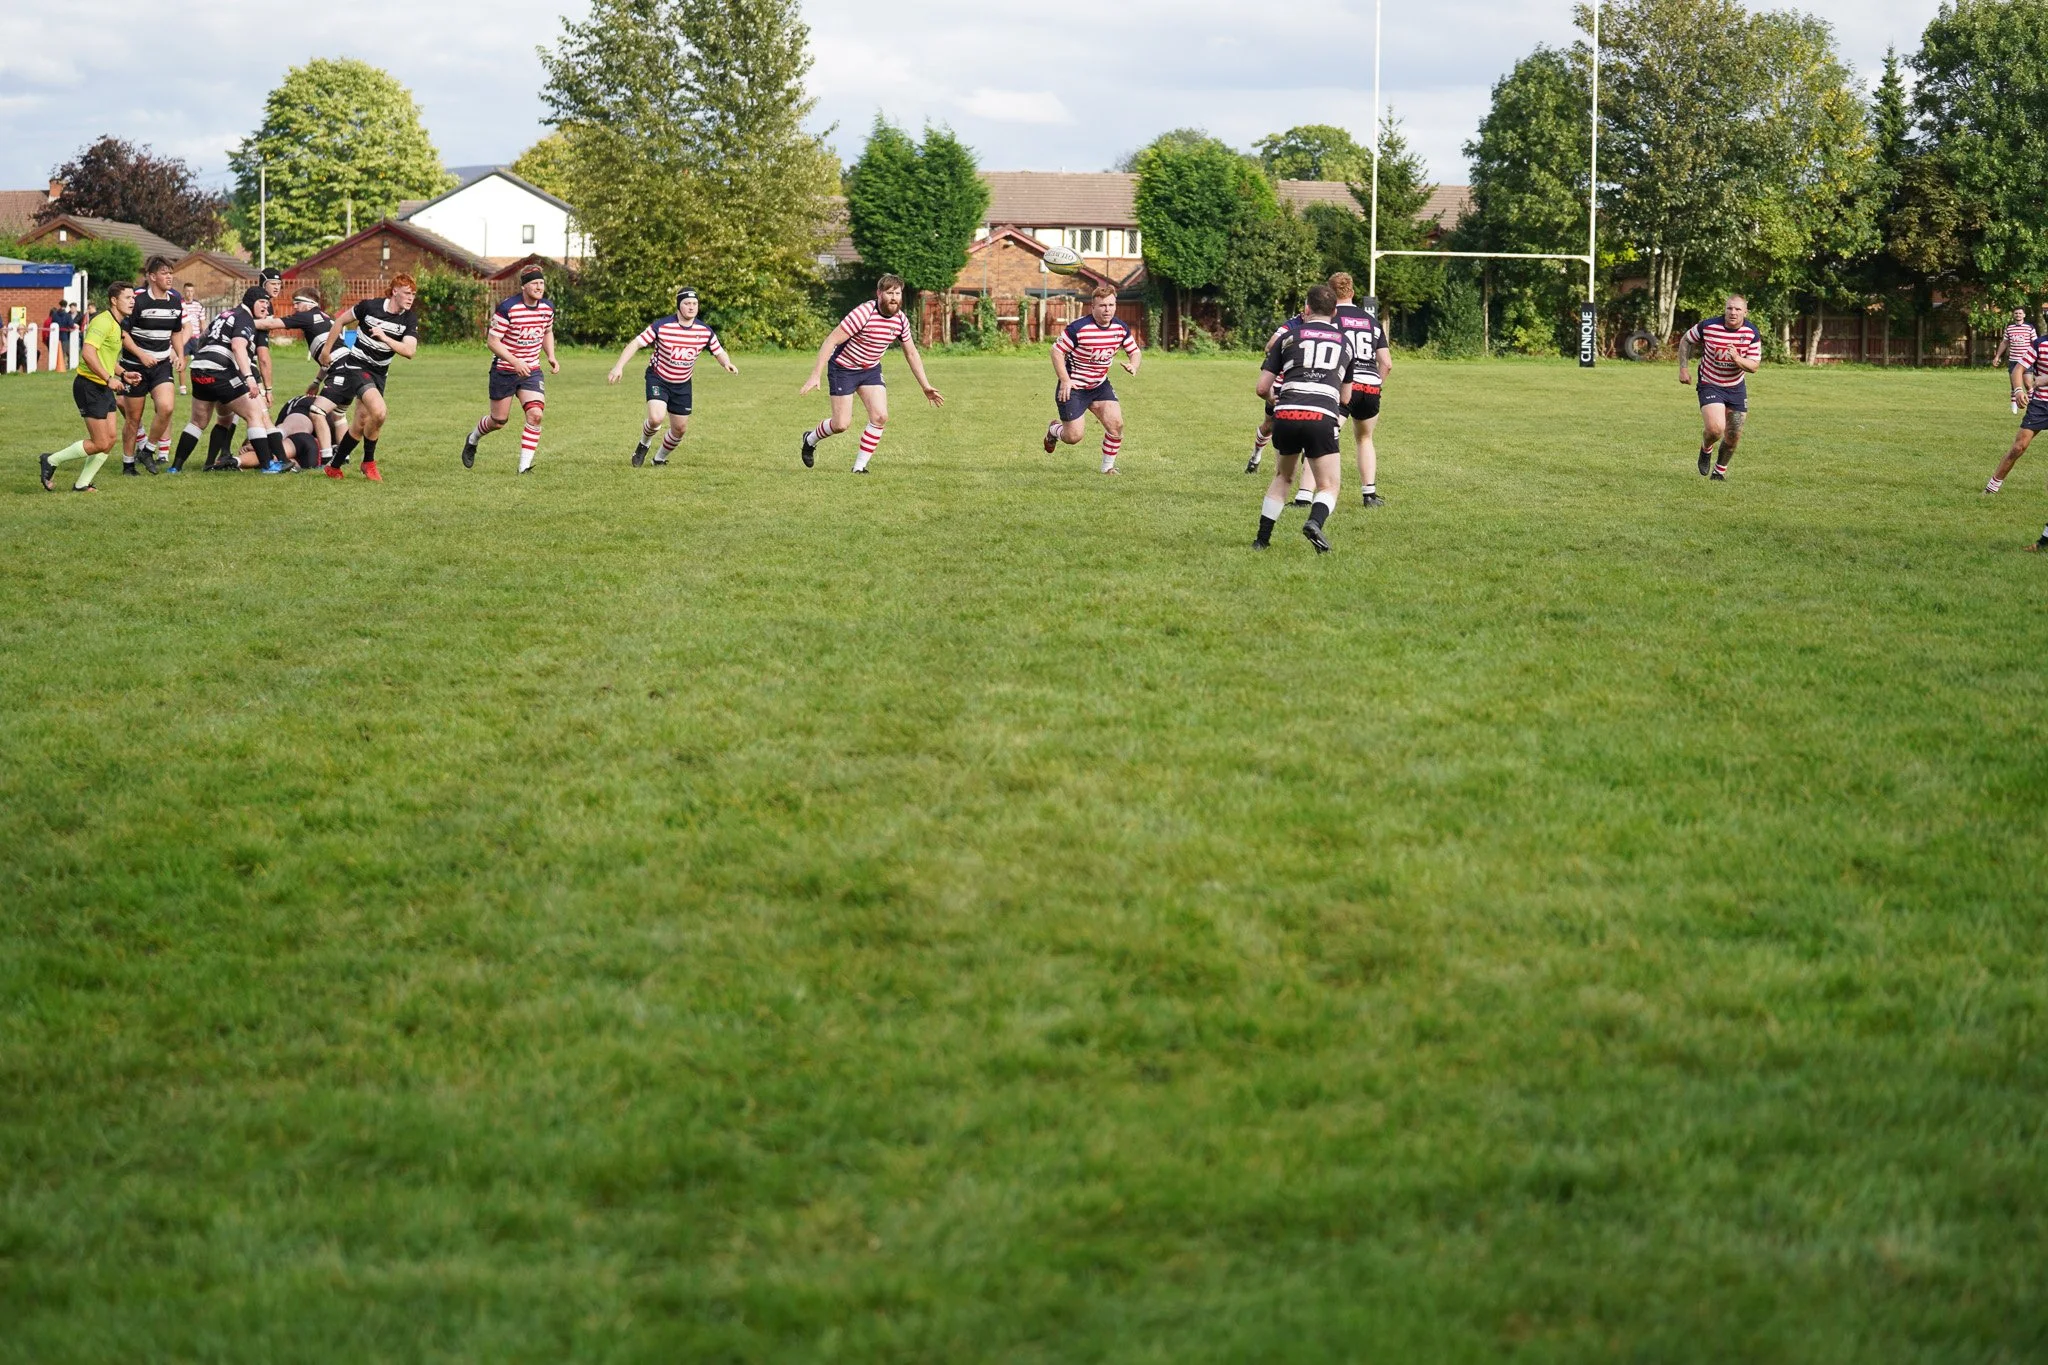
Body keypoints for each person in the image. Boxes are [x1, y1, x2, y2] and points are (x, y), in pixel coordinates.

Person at [798, 274, 943, 473]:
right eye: (889, 293)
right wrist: (816, 374)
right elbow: (831, 341)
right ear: (879, 293)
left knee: (880, 416)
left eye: (897, 293)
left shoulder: (901, 320)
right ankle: (810, 439)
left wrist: (925, 386)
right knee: (841, 424)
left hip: (870, 369)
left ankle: (859, 468)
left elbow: (911, 353)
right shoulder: (863, 314)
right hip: (843, 368)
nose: (894, 298)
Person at [1252, 283, 1351, 553]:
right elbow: (1345, 398)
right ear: (1334, 312)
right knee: (1329, 485)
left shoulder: (1288, 337)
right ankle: (1314, 522)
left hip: (1287, 413)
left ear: (1306, 309)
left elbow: (1262, 388)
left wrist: (1273, 400)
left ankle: (1261, 540)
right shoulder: (1345, 342)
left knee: (1283, 477)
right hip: (1321, 415)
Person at [607, 286, 736, 466]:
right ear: (678, 305)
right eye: (687, 303)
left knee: (680, 429)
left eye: (695, 303)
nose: (691, 307)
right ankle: (644, 444)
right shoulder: (662, 326)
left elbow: (718, 350)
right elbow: (636, 343)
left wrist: (726, 363)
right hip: (658, 378)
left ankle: (659, 459)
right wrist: (618, 366)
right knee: (656, 418)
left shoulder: (704, 331)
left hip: (682, 383)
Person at [38, 282, 142, 494]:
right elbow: (88, 353)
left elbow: (105, 357)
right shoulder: (102, 322)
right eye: (128, 297)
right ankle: (51, 460)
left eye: (133, 298)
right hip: (89, 386)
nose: (132, 301)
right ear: (114, 300)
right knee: (100, 442)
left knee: (110, 440)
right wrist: (108, 379)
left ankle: (82, 484)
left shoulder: (116, 324)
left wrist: (123, 374)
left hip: (103, 386)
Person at [316, 275, 420, 481]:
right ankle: (368, 462)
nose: (411, 298)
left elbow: (409, 351)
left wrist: (384, 337)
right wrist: (326, 351)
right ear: (394, 291)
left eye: (414, 294)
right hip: (357, 366)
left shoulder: (409, 319)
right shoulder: (369, 307)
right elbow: (340, 321)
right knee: (379, 412)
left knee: (361, 422)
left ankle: (334, 467)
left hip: (380, 373)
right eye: (407, 293)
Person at [460, 267, 559, 473]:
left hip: (531, 370)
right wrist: (515, 362)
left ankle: (524, 468)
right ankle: (473, 438)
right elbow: (492, 342)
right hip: (504, 370)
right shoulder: (508, 308)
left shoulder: (547, 308)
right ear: (524, 286)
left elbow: (547, 331)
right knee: (498, 421)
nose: (539, 287)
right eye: (534, 283)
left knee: (536, 414)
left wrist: (550, 355)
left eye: (541, 283)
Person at [171, 294, 283, 472]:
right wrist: (249, 378)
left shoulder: (224, 314)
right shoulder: (244, 317)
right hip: (220, 370)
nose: (265, 307)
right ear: (250, 302)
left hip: (199, 367)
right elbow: (238, 346)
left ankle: (175, 468)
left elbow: (204, 336)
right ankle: (268, 465)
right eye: (262, 302)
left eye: (267, 303)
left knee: (199, 421)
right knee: (254, 413)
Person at [1042, 283, 1140, 474]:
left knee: (1116, 425)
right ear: (1093, 307)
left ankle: (1107, 468)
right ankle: (1054, 430)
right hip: (1074, 387)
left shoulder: (1120, 328)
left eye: (1111, 305)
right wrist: (1065, 380)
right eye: (1102, 305)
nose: (1107, 310)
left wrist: (1134, 365)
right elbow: (1056, 351)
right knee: (1073, 437)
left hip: (1099, 386)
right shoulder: (1079, 328)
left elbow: (1134, 351)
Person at [117, 255, 191, 474]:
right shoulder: (138, 301)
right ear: (151, 277)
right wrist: (141, 355)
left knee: (166, 407)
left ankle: (148, 450)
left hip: (161, 365)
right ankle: (128, 464)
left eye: (170, 273)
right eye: (164, 273)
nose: (169, 277)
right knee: (133, 419)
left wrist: (180, 355)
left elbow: (176, 332)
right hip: (135, 366)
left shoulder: (175, 301)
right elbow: (123, 334)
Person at [1677, 295, 1763, 480]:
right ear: (1725, 310)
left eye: (1738, 309)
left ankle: (1718, 473)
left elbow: (1754, 366)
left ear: (1745, 312)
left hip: (1736, 387)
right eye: (1729, 308)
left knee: (1733, 436)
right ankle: (1706, 447)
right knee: (1716, 429)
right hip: (1710, 383)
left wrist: (1737, 358)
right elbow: (1686, 340)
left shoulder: (1751, 333)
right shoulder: (1708, 326)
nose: (1733, 312)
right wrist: (1683, 368)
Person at [1330, 275, 1392, 507]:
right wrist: (1377, 385)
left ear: (1330, 294)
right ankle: (1369, 494)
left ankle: (1308, 494)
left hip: (1344, 385)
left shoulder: (1331, 318)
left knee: (1325, 435)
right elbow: (1386, 363)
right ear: (1352, 293)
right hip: (1370, 386)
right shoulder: (1371, 321)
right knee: (1364, 439)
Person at [1983, 332, 2048, 495]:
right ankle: (1991, 488)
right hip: (2040, 405)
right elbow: (2018, 369)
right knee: (2019, 447)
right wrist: (2018, 390)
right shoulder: (2039, 344)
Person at [1997, 306, 2038, 415]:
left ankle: (2032, 407)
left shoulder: (2029, 327)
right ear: (2013, 315)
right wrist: (1997, 356)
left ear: (2024, 315)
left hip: (2026, 361)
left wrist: (2037, 357)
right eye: (2016, 313)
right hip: (2013, 361)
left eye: (2020, 313)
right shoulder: (2009, 328)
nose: (2018, 315)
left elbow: (2035, 343)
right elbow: (2004, 342)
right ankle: (2014, 408)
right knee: (2014, 385)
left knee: (2028, 384)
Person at [177, 287, 207, 394]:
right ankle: (182, 388)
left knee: (199, 364)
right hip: (184, 337)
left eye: (191, 291)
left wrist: (204, 337)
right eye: (187, 291)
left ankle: (200, 386)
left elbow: (202, 322)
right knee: (183, 361)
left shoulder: (199, 305)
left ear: (193, 292)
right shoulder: (179, 304)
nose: (189, 293)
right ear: (184, 292)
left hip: (196, 338)